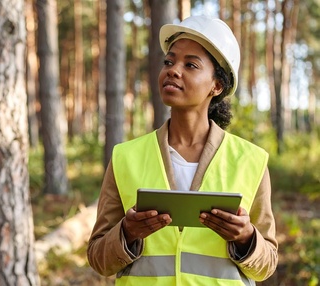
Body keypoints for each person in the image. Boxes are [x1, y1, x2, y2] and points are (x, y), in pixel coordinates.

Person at [87, 15, 278, 285]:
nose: (173, 70)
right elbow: (98, 258)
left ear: (217, 85)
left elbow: (266, 264)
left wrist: (246, 238)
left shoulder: (251, 160)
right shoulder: (125, 157)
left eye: (190, 65)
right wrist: (127, 232)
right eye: (169, 61)